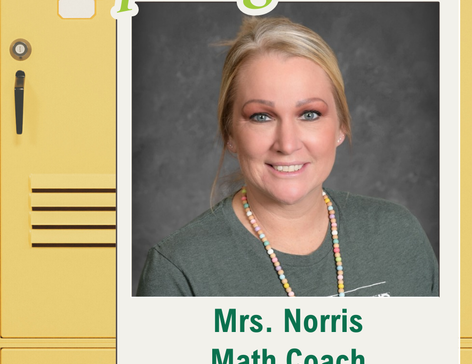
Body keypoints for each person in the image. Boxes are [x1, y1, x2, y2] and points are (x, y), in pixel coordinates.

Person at [137, 16, 438, 298]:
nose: (287, 143)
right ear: (230, 133)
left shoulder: (398, 237)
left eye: (309, 114)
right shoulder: (178, 271)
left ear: (340, 126)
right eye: (261, 117)